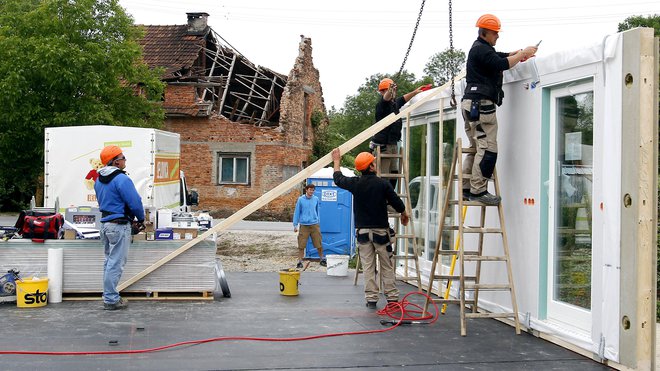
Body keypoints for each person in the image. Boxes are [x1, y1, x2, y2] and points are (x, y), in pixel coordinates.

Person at [461, 14, 538, 205]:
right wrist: (521, 55)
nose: (498, 36)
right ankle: (478, 191)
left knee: (475, 148)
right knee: (488, 149)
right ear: (485, 33)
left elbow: (499, 57)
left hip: (471, 104)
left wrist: (518, 53)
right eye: (495, 33)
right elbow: (500, 64)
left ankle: (466, 188)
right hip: (481, 106)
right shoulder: (481, 50)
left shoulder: (479, 48)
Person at [331, 148, 409, 308]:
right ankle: (392, 299)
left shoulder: (355, 184)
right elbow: (397, 202)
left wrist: (336, 160)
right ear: (371, 167)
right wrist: (403, 213)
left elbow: (338, 179)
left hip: (363, 233)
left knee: (368, 266)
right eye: (374, 162)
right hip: (381, 232)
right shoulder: (383, 184)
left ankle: (371, 299)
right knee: (387, 265)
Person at [94, 145, 145, 310]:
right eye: (123, 158)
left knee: (109, 262)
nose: (125, 160)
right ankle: (111, 299)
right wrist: (141, 218)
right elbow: (135, 202)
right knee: (115, 263)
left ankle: (108, 295)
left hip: (105, 225)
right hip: (118, 226)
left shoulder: (98, 180)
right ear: (115, 162)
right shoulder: (122, 179)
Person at [371, 78, 424, 187]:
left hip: (393, 144)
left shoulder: (394, 103)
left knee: (394, 173)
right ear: (382, 92)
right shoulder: (382, 105)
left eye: (393, 90)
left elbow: (403, 99)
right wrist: (389, 91)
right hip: (383, 146)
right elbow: (385, 98)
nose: (392, 93)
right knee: (384, 176)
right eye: (389, 90)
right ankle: (383, 200)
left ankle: (390, 199)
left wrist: (414, 92)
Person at [293, 184, 326, 268]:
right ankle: (299, 261)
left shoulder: (316, 199)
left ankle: (322, 259)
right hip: (304, 225)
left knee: (318, 242)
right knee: (301, 244)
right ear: (306, 190)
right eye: (310, 190)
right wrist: (295, 224)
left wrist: (318, 221)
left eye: (313, 190)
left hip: (314, 224)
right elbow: (297, 212)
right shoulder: (301, 200)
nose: (312, 191)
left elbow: (317, 211)